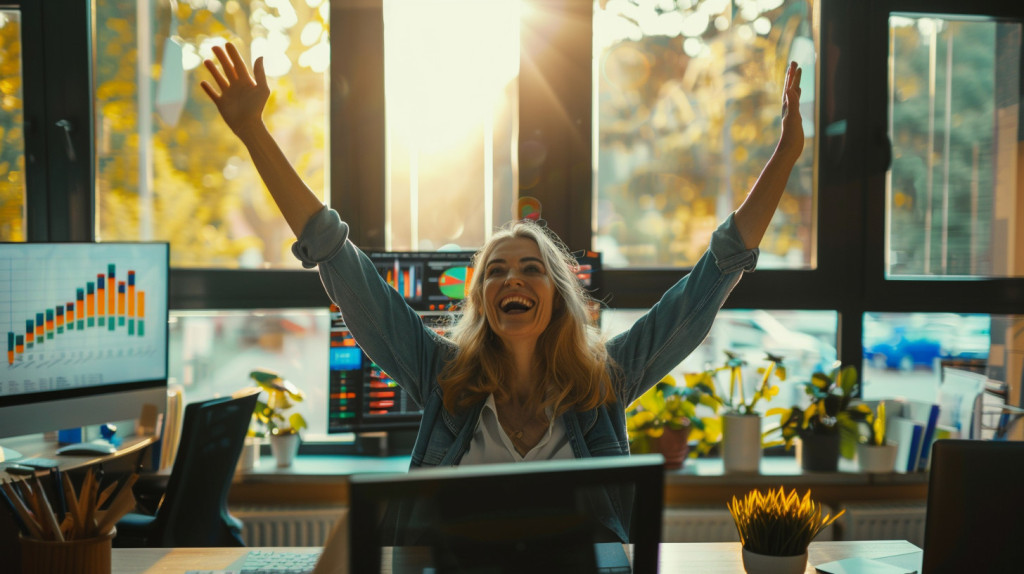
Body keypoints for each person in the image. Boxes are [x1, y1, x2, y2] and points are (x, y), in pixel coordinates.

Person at [201, 42, 802, 539]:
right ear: (482, 300)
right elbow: (335, 255)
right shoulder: (441, 375)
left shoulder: (605, 380)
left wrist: (786, 154)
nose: (511, 277)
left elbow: (712, 276)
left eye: (531, 268)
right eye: (495, 270)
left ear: (559, 295)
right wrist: (253, 132)